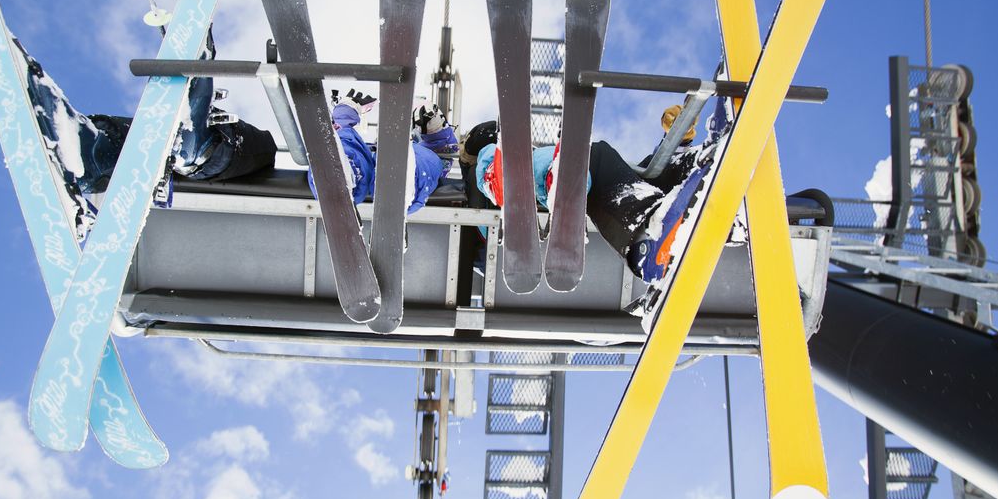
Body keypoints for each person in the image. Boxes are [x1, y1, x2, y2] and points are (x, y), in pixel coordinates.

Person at [460, 98, 738, 312]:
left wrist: (673, 144)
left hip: (544, 195)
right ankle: (643, 236)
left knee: (631, 170)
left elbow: (638, 177)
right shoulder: (471, 175)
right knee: (596, 159)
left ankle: (699, 162)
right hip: (512, 214)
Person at [19, 25, 277, 241]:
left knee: (265, 149)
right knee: (142, 142)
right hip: (225, 167)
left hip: (248, 167)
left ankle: (196, 144)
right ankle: (91, 150)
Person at [309, 89, 459, 214]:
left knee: (426, 160)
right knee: (350, 147)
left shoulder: (420, 150)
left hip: (410, 158)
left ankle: (402, 178)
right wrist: (344, 117)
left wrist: (435, 129)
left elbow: (447, 151)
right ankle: (341, 170)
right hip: (384, 159)